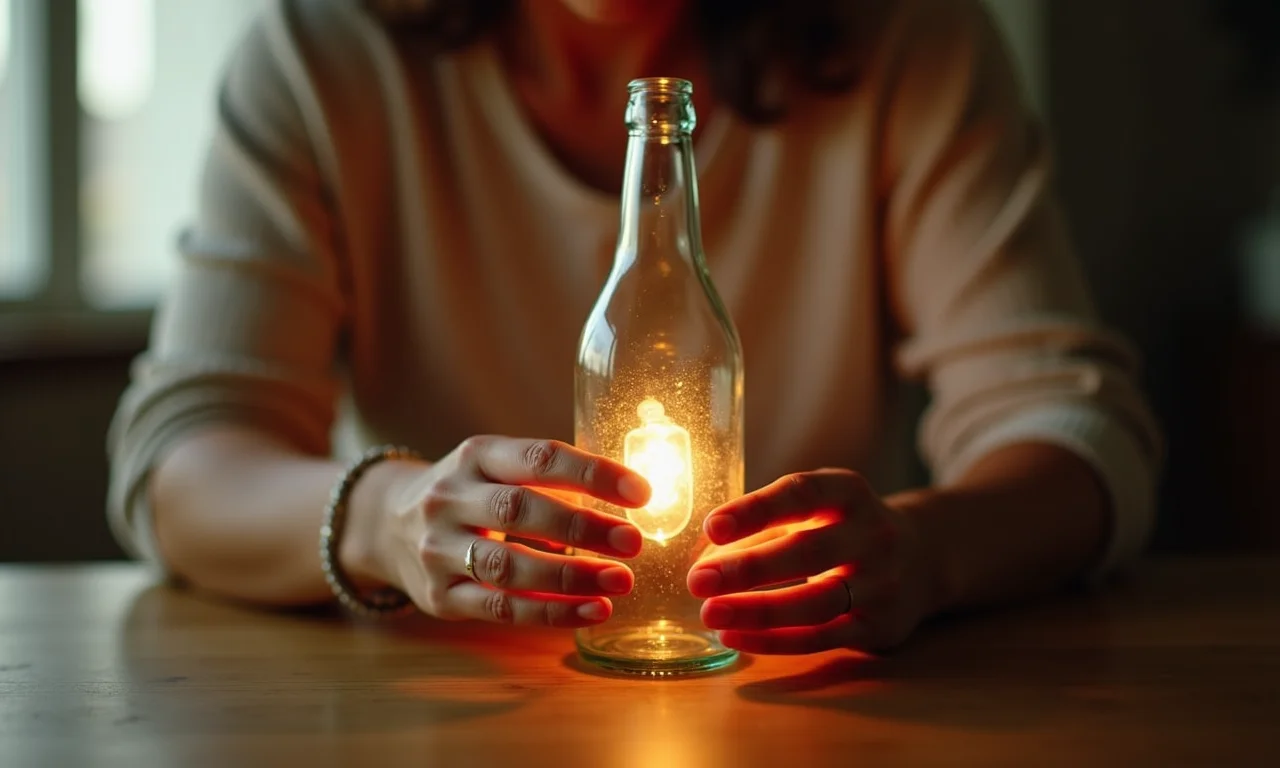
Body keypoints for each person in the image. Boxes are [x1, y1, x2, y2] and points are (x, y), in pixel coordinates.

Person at [108, 0, 1161, 655]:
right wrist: (392, 515)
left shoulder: (906, 42)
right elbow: (181, 463)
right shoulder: (319, 57)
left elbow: (1075, 434)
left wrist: (922, 552)